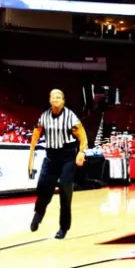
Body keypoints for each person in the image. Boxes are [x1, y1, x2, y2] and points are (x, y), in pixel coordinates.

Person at [27, 89, 88, 240]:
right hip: (51, 156)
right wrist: (31, 151)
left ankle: (63, 227)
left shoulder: (70, 116)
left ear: (63, 101)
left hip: (67, 156)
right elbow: (37, 132)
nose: (56, 99)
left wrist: (81, 152)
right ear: (49, 100)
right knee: (43, 187)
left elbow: (82, 136)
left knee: (65, 192)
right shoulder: (44, 116)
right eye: (53, 96)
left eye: (59, 97)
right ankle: (39, 214)